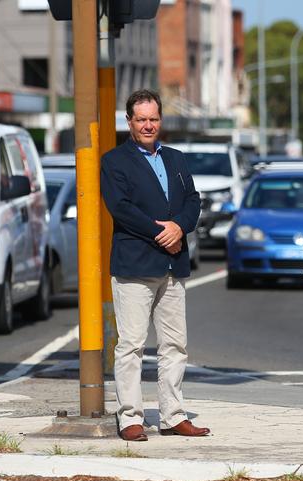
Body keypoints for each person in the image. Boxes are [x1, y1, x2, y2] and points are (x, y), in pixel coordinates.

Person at [100, 89, 209, 442]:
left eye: (154, 119)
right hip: (135, 266)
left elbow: (193, 200)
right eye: (141, 119)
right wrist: (160, 232)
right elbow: (121, 208)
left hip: (173, 265)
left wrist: (180, 227)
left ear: (161, 120)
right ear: (129, 122)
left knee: (175, 346)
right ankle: (130, 417)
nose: (148, 125)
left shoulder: (176, 159)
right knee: (131, 346)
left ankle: (173, 416)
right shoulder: (114, 161)